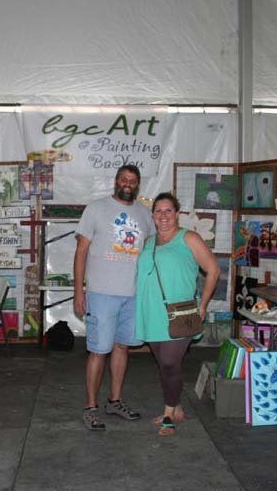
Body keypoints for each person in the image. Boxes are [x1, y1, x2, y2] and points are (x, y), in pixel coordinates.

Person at [73, 164, 155, 431]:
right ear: (116, 182)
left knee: (122, 347)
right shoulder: (96, 209)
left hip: (133, 295)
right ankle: (90, 407)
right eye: (123, 179)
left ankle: (114, 401)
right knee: (98, 350)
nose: (127, 183)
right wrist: (78, 291)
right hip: (101, 293)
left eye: (132, 180)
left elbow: (152, 254)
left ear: (138, 184)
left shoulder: (145, 215)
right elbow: (81, 252)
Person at [135, 192, 219, 436]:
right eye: (158, 211)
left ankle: (169, 413)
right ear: (153, 215)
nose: (163, 215)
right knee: (165, 366)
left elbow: (213, 270)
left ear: (177, 214)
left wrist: (202, 306)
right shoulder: (148, 242)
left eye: (168, 210)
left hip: (180, 314)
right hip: (151, 313)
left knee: (171, 363)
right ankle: (176, 406)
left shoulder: (189, 238)